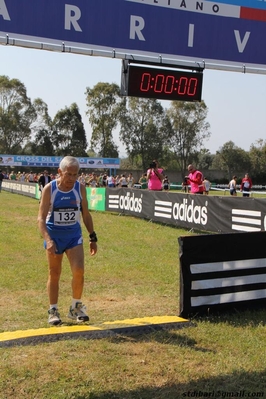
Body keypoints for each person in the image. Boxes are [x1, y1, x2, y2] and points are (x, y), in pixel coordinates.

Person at [37, 156, 98, 326]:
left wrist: (92, 236)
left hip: (73, 236)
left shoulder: (80, 188)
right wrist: (48, 240)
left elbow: (85, 214)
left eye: (75, 174)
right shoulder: (50, 189)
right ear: (59, 172)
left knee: (79, 270)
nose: (72, 178)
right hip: (54, 236)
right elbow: (40, 219)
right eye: (68, 174)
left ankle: (76, 307)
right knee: (54, 273)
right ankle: (53, 310)